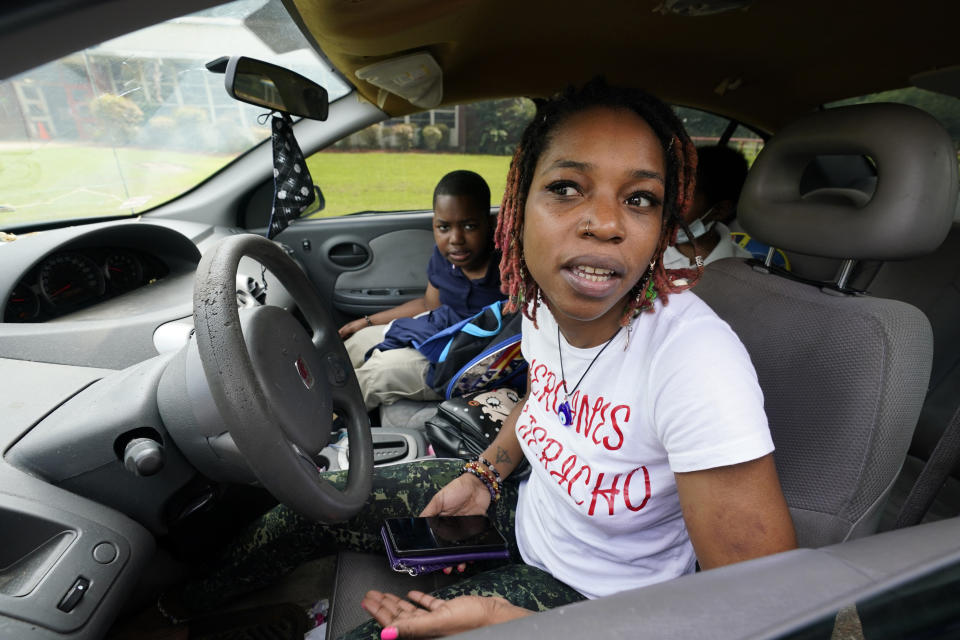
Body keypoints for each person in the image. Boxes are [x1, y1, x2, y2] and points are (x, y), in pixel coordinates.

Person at [163, 80, 796, 639]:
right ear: (517, 211)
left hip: (599, 602)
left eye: (639, 200)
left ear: (662, 226)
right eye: (568, 188)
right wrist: (484, 476)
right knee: (316, 502)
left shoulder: (696, 360)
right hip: (516, 508)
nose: (605, 223)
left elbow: (759, 613)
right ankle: (170, 616)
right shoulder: (546, 307)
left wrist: (507, 624)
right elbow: (547, 402)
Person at [338, 169, 504, 410]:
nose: (455, 239)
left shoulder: (508, 273)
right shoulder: (446, 257)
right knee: (354, 345)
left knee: (375, 374)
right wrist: (366, 322)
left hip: (464, 360)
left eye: (469, 226)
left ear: (489, 224)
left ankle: (318, 426)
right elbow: (429, 305)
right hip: (436, 330)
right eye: (444, 227)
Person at [662, 144, 753, 269]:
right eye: (668, 192)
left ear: (720, 210)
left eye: (682, 199)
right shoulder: (647, 247)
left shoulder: (741, 272)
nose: (666, 206)